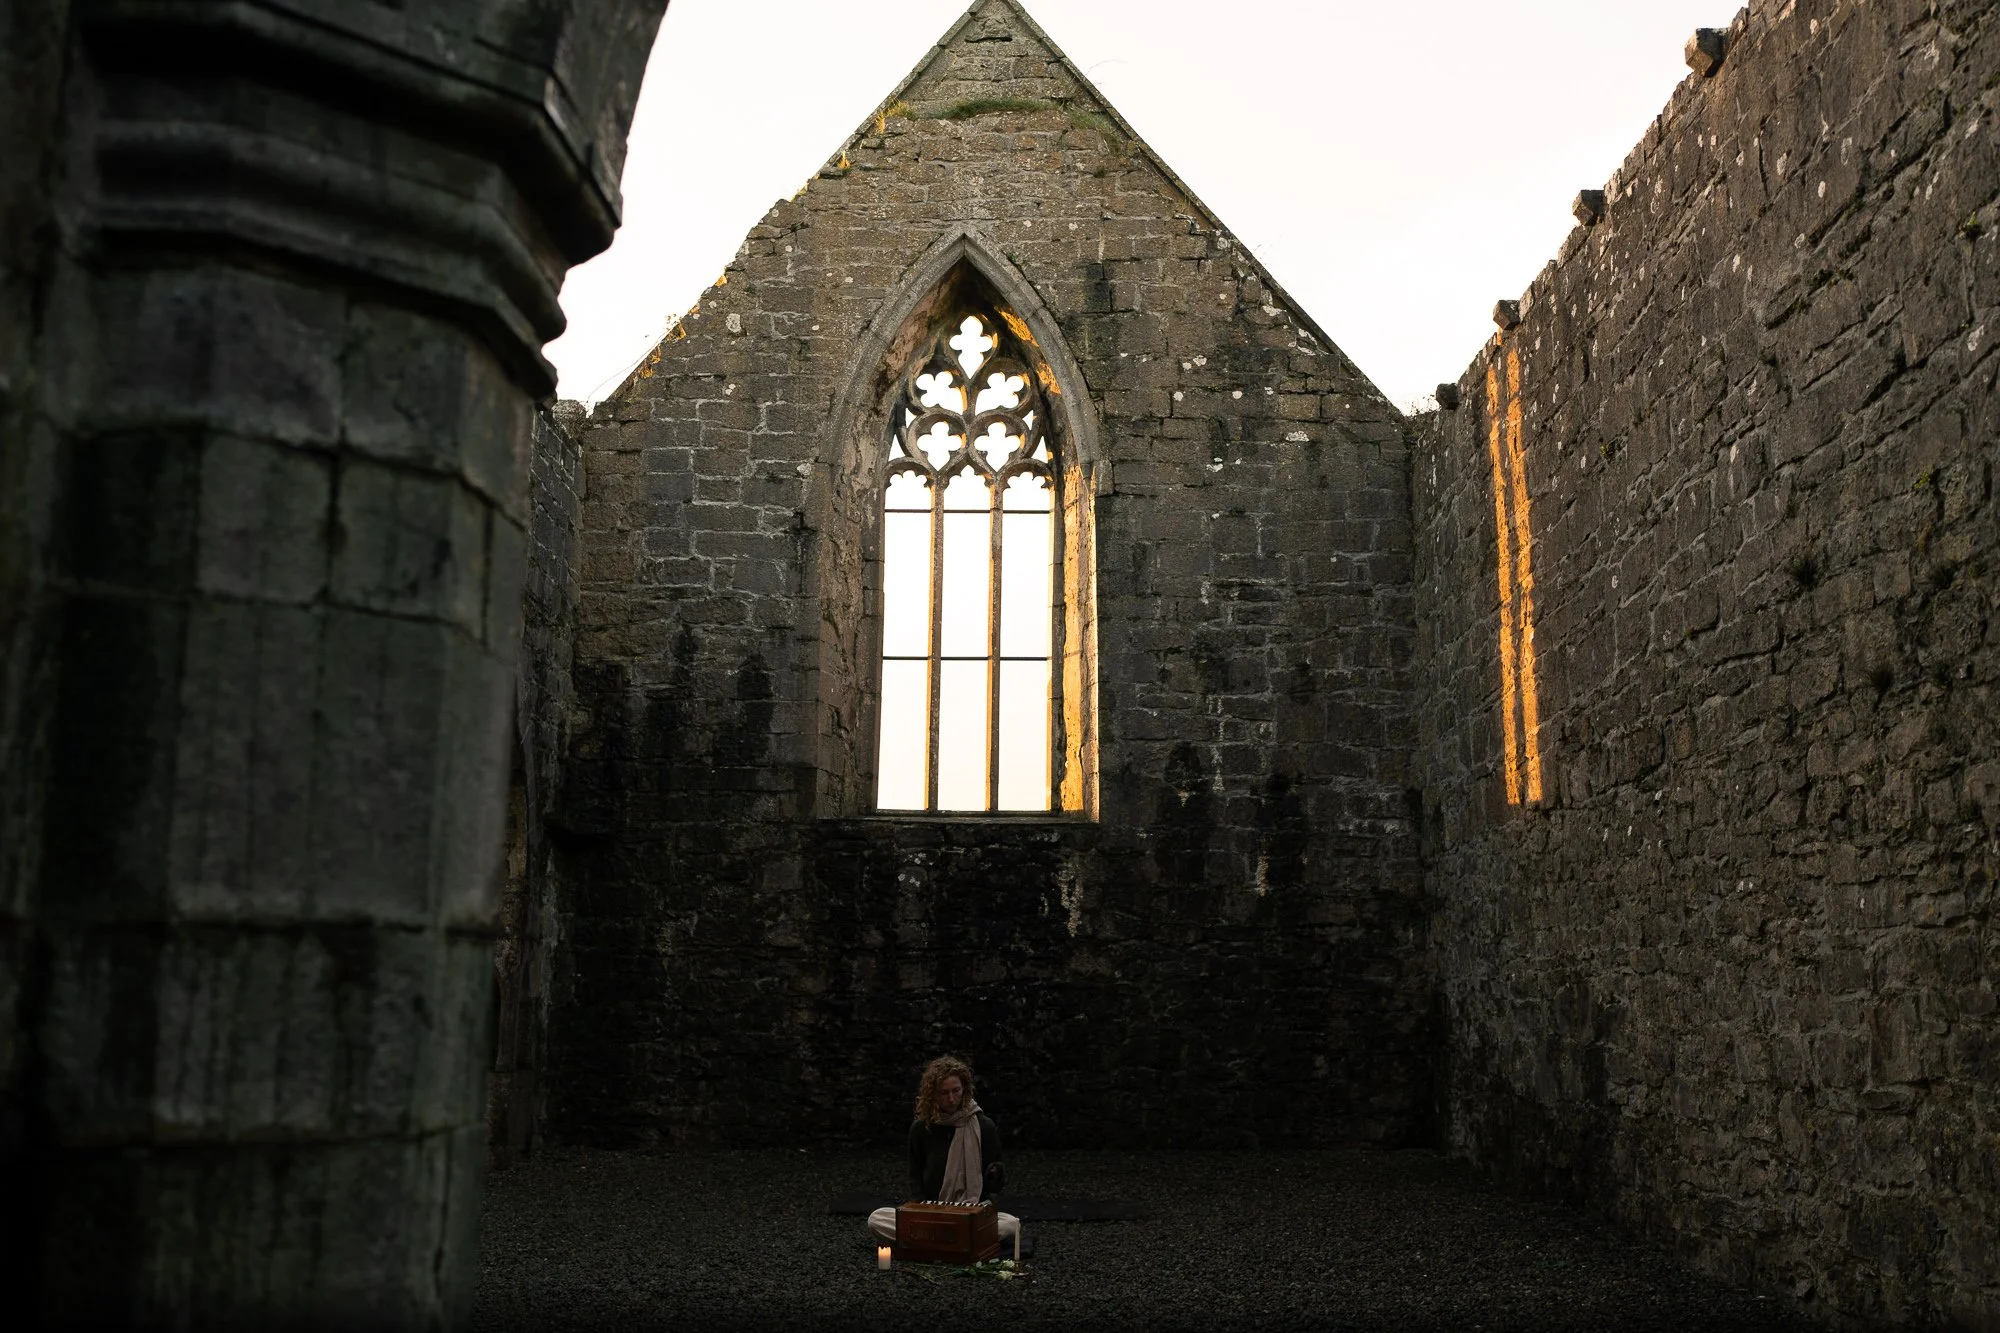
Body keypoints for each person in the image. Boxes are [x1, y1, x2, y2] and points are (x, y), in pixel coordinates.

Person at [868, 1055, 1021, 1252]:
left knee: (1011, 1225)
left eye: (956, 1091)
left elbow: (995, 1187)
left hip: (972, 1210)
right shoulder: (922, 1128)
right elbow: (915, 1176)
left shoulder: (984, 1126)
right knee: (877, 1219)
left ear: (964, 1088)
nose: (951, 1099)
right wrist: (922, 1210)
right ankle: (959, 1241)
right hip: (934, 1211)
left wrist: (995, 1174)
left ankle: (933, 1241)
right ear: (933, 1094)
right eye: (944, 1093)